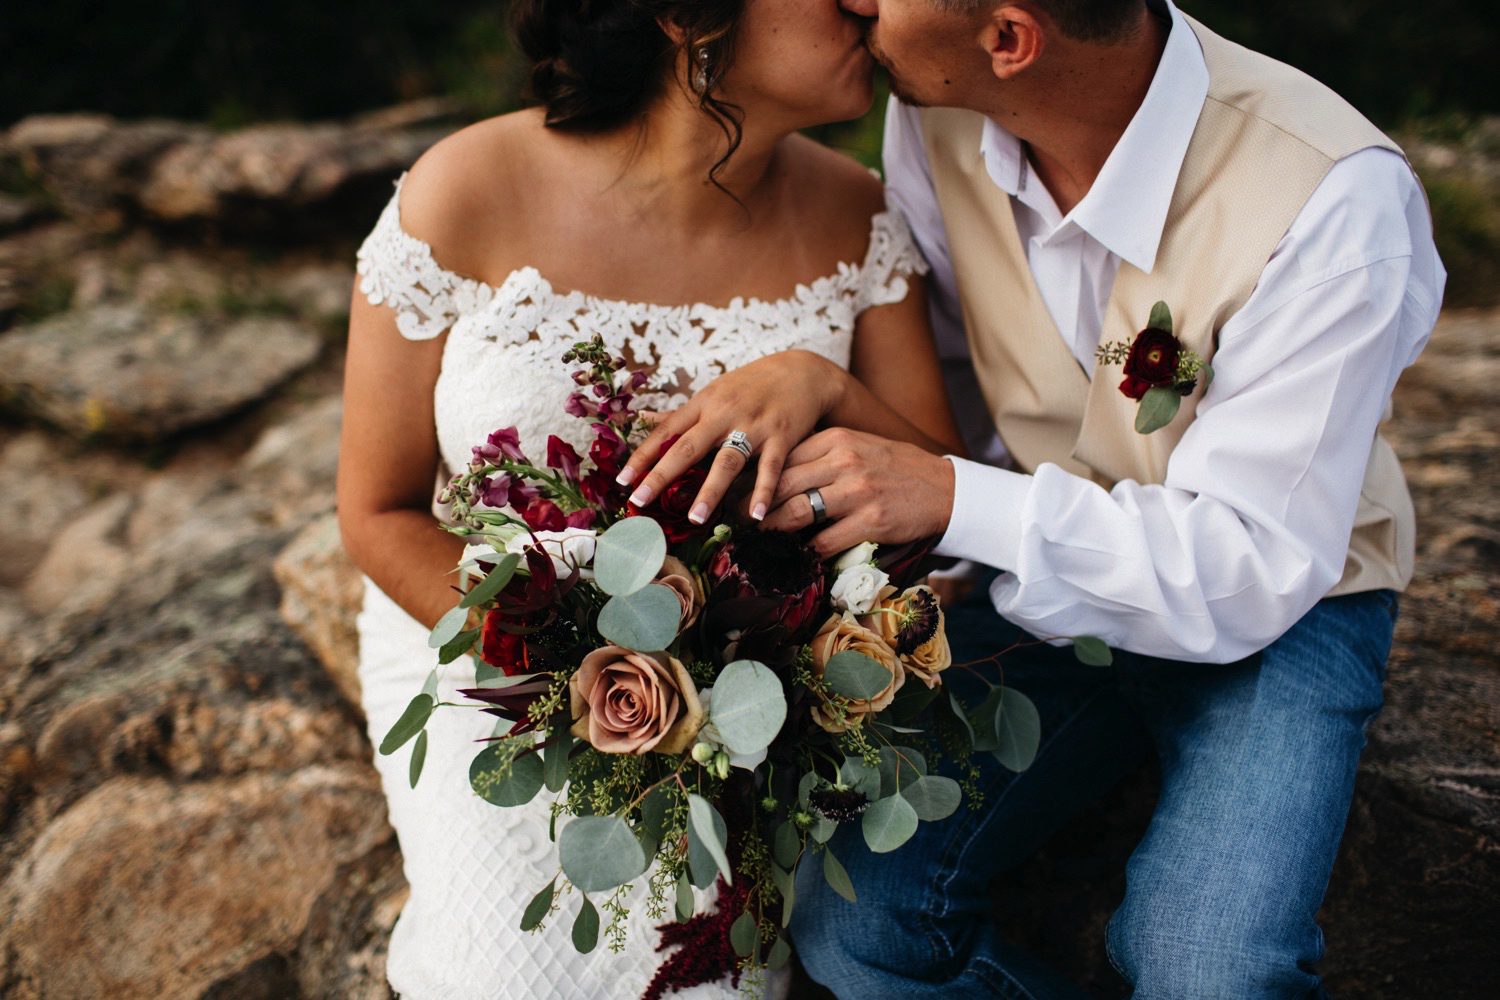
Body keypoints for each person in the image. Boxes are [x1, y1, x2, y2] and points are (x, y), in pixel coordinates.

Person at [673, 0, 1435, 996]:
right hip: (1033, 579)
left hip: (1285, 607)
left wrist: (955, 502)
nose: (853, 1)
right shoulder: (933, 112)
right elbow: (942, 386)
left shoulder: (1334, 198)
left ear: (1008, 40)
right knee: (854, 921)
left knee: (1210, 964)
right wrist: (822, 384)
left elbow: (1248, 567)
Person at [335, 2, 964, 997]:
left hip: (751, 693)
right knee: (503, 973)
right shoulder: (465, 190)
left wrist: (827, 385)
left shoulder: (858, 216)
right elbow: (376, 510)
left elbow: (941, 498)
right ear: (686, 14)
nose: (865, 1)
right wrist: (560, 667)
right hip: (484, 649)